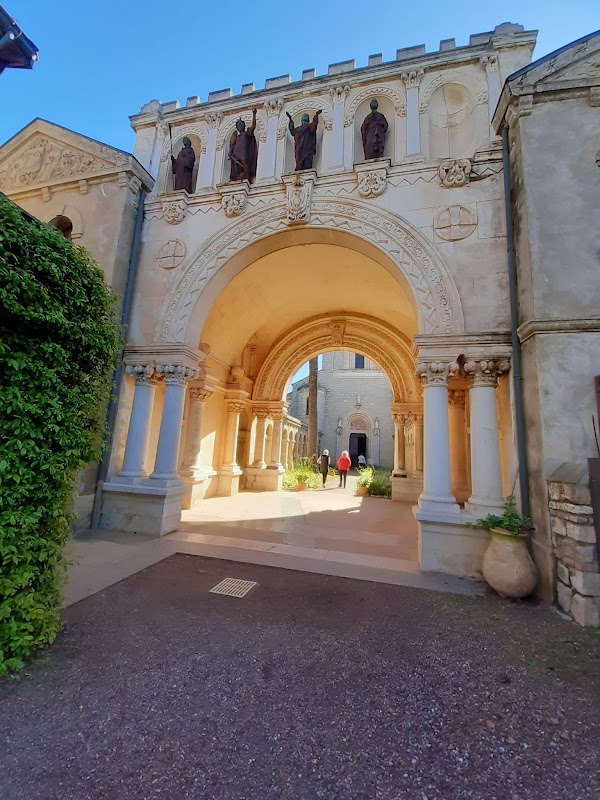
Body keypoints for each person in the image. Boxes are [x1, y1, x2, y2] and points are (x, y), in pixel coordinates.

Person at [228, 109, 258, 182]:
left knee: (244, 161)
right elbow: (232, 146)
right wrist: (230, 153)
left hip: (244, 153)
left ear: (244, 126)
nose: (240, 127)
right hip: (236, 154)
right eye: (238, 126)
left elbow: (253, 126)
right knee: (236, 166)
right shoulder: (237, 137)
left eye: (241, 125)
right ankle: (237, 177)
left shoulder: (247, 133)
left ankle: (246, 175)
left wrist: (254, 115)